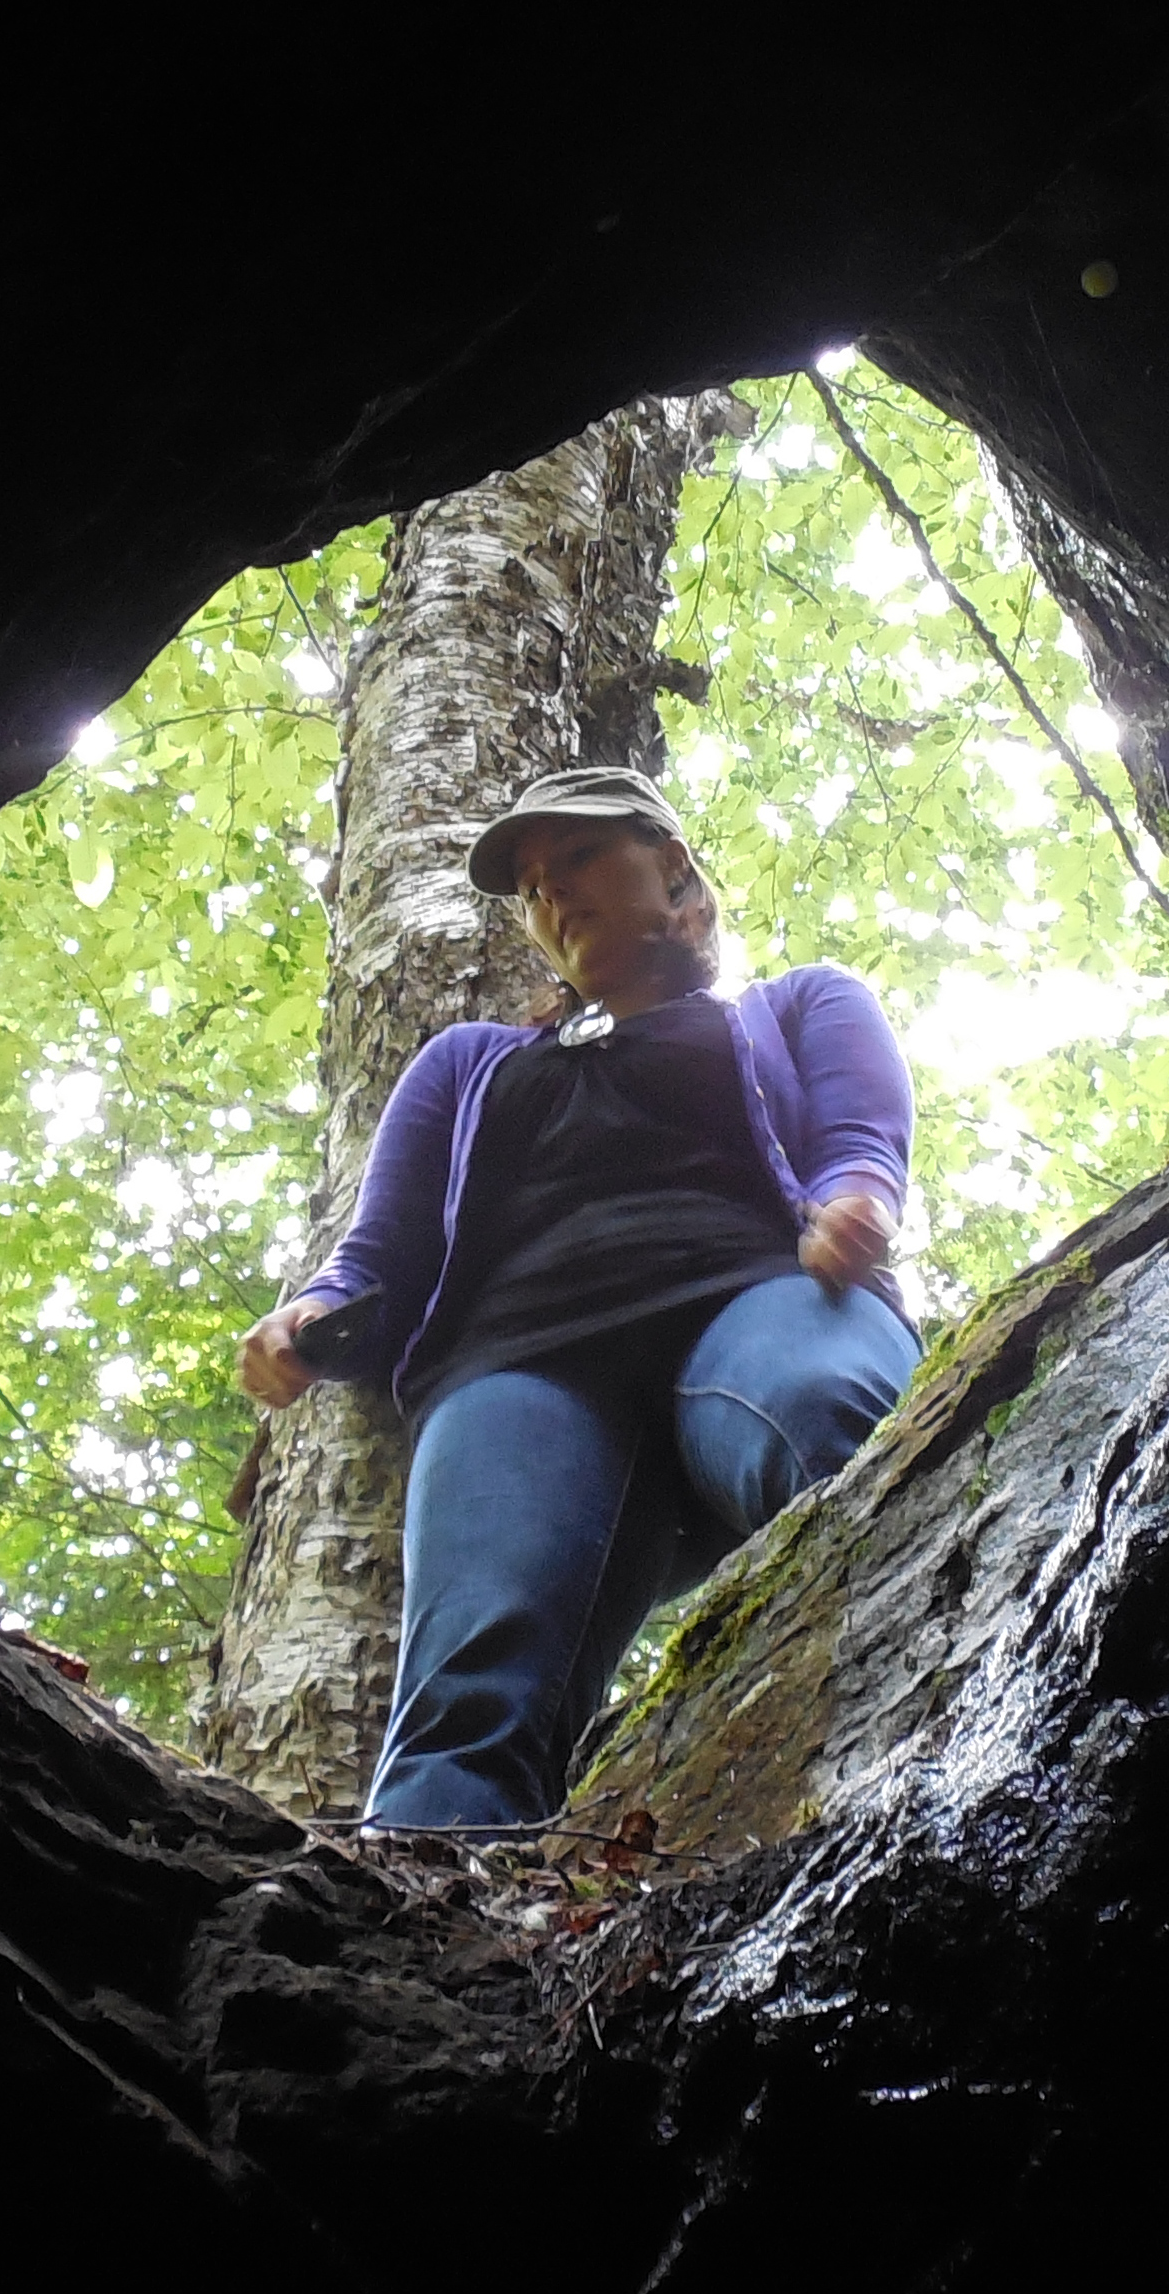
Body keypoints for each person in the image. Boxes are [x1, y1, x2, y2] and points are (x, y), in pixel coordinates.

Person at [236, 765, 920, 1829]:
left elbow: (859, 1143)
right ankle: (421, 1947)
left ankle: (916, 1753)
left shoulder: (800, 1004)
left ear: (675, 867)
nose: (553, 891)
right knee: (470, 1689)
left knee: (835, 1422)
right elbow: (381, 1253)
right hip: (519, 1362)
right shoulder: (466, 1061)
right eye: (532, 884)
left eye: (583, 855)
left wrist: (855, 1206)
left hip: (753, 1294)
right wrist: (310, 1323)